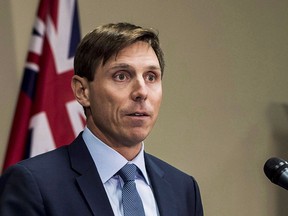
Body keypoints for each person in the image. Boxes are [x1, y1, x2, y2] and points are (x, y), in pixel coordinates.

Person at [0, 22, 203, 216]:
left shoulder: (183, 189)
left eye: (151, 77)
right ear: (82, 91)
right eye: (121, 76)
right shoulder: (34, 184)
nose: (142, 91)